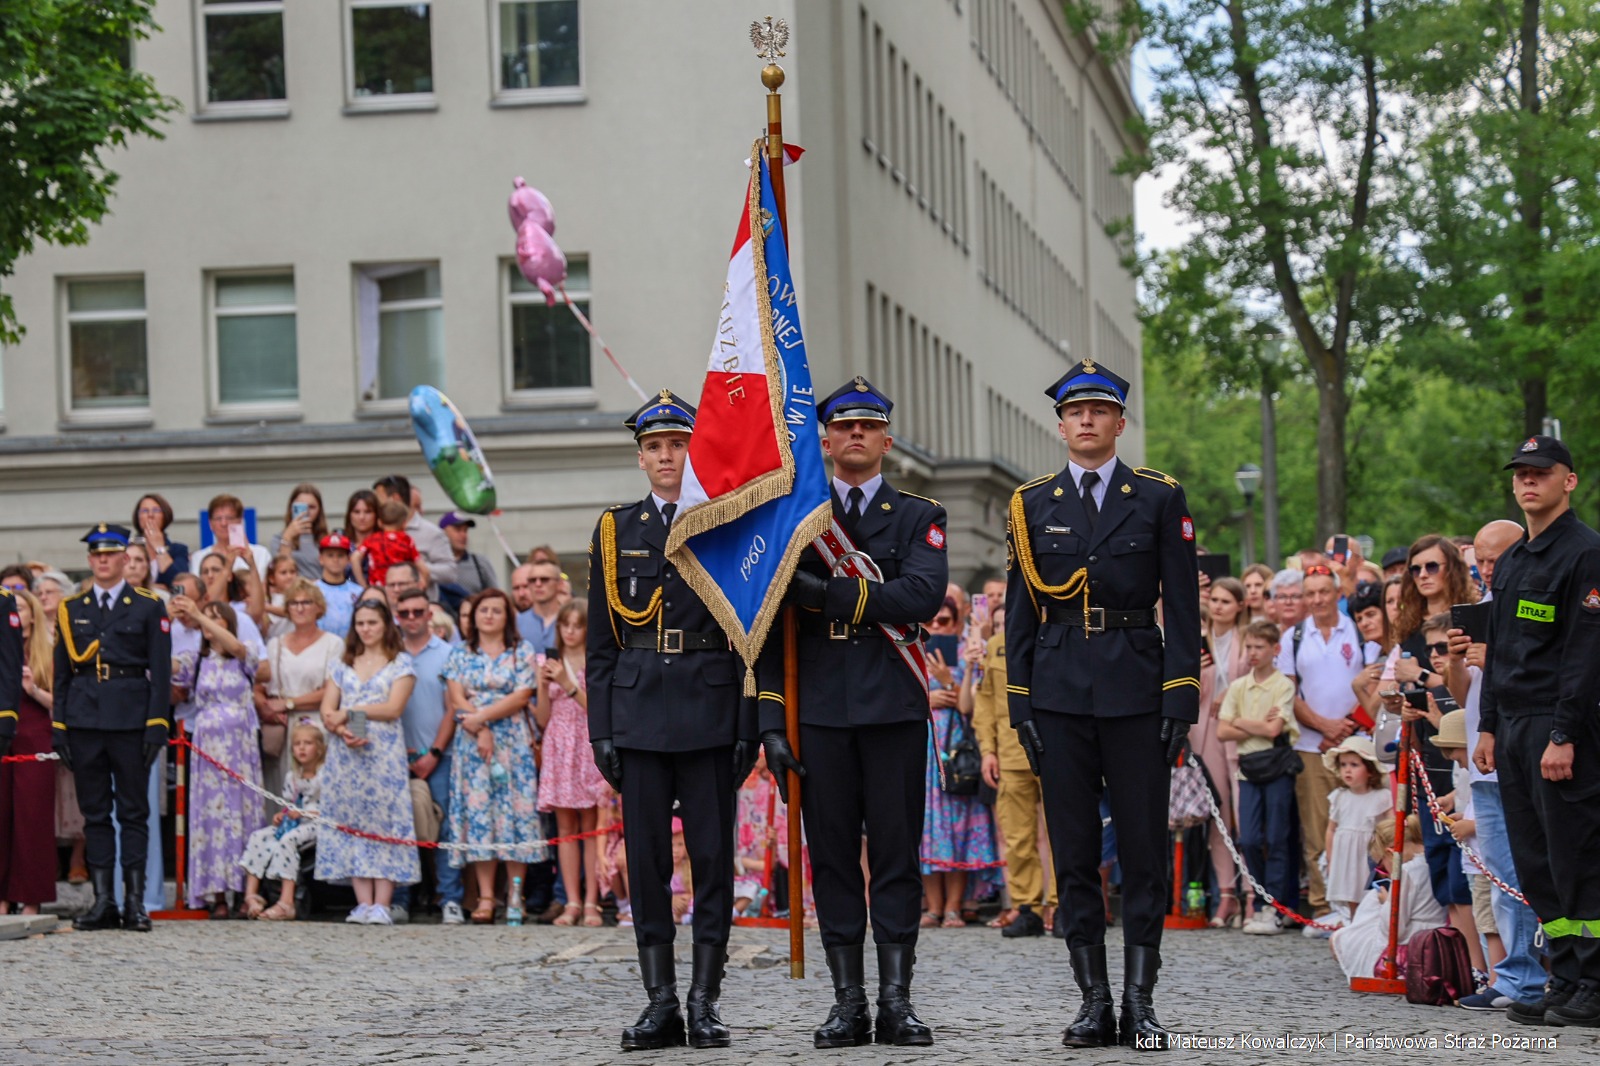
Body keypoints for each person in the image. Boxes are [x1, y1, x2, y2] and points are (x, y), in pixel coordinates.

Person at [1004, 360, 1199, 1050]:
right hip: (1058, 694)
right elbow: (1019, 613)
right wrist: (1020, 705)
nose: (1086, 420)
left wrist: (1181, 695)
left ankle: (1141, 1003)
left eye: (1099, 410)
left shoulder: (1158, 497)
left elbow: (1183, 604)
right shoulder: (1032, 504)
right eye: (1074, 412)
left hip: (1138, 691)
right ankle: (1093, 1000)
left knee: (1144, 852)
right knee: (1076, 853)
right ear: (1061, 426)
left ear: (1119, 422)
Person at [751, 377, 946, 1049]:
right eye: (842, 426)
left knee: (895, 856)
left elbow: (920, 596)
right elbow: (768, 627)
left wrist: (824, 593)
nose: (855, 434)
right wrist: (771, 723)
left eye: (868, 425)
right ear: (825, 441)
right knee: (831, 858)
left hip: (892, 705)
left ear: (886, 440)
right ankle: (848, 1002)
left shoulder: (919, 514)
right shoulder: (797, 516)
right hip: (819, 710)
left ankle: (896, 1001)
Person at [588, 390, 758, 1051]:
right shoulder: (615, 530)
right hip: (637, 713)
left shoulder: (725, 523)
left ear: (696, 450)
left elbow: (748, 636)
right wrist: (602, 728)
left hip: (711, 709)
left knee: (712, 861)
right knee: (648, 863)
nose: (666, 456)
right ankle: (660, 1002)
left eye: (678, 444)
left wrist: (747, 722)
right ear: (641, 458)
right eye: (655, 446)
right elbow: (601, 643)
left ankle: (704, 1001)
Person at [1475, 435, 1600, 1026]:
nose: (1528, 481)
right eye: (1521, 473)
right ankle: (1565, 978)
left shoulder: (1586, 553)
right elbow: (1499, 651)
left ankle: (1595, 982)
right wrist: (1487, 727)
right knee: (1536, 861)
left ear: (1568, 481)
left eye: (1541, 473)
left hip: (1559, 724)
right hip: (1514, 727)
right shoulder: (1515, 560)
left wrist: (1563, 734)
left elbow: (1585, 655)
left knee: (1577, 857)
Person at [50, 524, 172, 932]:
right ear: (90, 560)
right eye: (96, 555)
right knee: (95, 814)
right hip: (84, 720)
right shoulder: (72, 608)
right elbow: (62, 674)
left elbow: (160, 671)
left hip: (131, 720)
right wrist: (60, 727)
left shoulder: (148, 606)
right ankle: (103, 901)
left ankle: (134, 902)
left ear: (124, 558)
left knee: (134, 813)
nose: (103, 560)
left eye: (110, 554)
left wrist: (156, 726)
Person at [1452, 517, 1543, 1011]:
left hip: (1523, 753)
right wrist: (1454, 660)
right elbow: (1463, 693)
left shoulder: (1534, 602)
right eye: (1480, 562)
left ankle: (1540, 976)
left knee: (1529, 870)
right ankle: (1514, 977)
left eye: (1496, 559)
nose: (1487, 570)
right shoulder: (1483, 606)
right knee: (1499, 875)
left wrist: (1496, 661)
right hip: (1481, 757)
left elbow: (1548, 674)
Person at [441, 589, 544, 924]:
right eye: (483, 610)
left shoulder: (521, 651)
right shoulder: (460, 652)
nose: (488, 616)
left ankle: (515, 894)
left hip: (511, 742)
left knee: (516, 814)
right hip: (472, 743)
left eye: (496, 610)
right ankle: (485, 896)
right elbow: (456, 697)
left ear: (507, 617)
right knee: (480, 815)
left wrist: (482, 718)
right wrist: (479, 727)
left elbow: (522, 696)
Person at [316, 600, 421, 924]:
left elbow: (393, 708)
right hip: (347, 753)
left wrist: (350, 712)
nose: (366, 629)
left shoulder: (400, 663)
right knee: (353, 821)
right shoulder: (342, 662)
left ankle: (383, 903)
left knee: (384, 822)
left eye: (372, 622)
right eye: (360, 623)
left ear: (385, 624)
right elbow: (327, 710)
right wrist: (342, 728)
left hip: (383, 753)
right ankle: (362, 902)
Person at [1277, 563, 1366, 932]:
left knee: (1359, 829)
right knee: (1317, 832)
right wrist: (1324, 726)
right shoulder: (1293, 637)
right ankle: (1321, 905)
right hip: (1312, 747)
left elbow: (1373, 682)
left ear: (1337, 593)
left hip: (1358, 746)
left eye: (1323, 592)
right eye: (1310, 593)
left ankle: (1360, 906)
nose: (1317, 599)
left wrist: (1347, 725)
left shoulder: (1358, 629)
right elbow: (1288, 692)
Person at [970, 603, 1058, 938]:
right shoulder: (996, 646)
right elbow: (985, 703)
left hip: (1057, 752)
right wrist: (987, 751)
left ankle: (1062, 906)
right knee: (1018, 838)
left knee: (1063, 834)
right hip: (1010, 754)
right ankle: (1027, 908)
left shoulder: (1057, 637)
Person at [171, 600, 262, 918]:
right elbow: (164, 667)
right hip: (207, 746)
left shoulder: (244, 653)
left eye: (216, 618)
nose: (208, 623)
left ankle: (246, 890)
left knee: (241, 813)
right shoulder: (194, 659)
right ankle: (217, 893)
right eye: (205, 618)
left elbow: (236, 648)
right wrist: (160, 620)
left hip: (239, 746)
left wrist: (198, 615)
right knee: (211, 816)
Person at [921, 600, 1001, 928]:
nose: (936, 627)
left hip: (956, 748)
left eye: (944, 621)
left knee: (958, 825)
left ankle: (954, 905)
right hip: (924, 749)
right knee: (927, 828)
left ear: (956, 624)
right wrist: (927, 698)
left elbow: (973, 705)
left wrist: (947, 683)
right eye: (931, 621)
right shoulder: (911, 654)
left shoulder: (969, 656)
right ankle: (933, 907)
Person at [1219, 620, 1300, 933]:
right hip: (1249, 766)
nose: (1253, 653)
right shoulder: (1239, 686)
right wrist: (1254, 724)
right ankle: (1261, 898)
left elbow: (1273, 730)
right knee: (1250, 838)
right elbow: (1222, 730)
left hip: (1276, 764)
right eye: (1249, 647)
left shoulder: (1283, 685)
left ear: (1274, 649)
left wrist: (1240, 721)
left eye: (1259, 647)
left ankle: (1275, 907)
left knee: (1277, 836)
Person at [391, 587, 462, 924]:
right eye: (404, 613)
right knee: (399, 829)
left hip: (440, 754)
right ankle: (400, 899)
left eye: (418, 612)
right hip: (395, 757)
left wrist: (434, 752)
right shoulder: (391, 654)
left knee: (445, 827)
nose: (411, 619)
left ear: (429, 614)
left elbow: (453, 708)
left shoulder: (448, 653)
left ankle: (450, 899)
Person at [535, 599, 606, 927]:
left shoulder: (596, 661)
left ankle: (592, 901)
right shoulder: (547, 661)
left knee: (591, 826)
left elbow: (599, 711)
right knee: (565, 828)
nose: (571, 631)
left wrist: (567, 683)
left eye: (578, 625)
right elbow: (542, 718)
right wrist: (542, 684)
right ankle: (572, 901)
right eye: (566, 625)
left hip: (587, 742)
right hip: (560, 745)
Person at [1329, 815, 1444, 981]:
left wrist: (1387, 902)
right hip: (1438, 938)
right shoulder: (1435, 862)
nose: (1385, 872)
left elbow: (1394, 928)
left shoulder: (1407, 872)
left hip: (1414, 943)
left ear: (1391, 853)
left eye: (1382, 865)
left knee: (1342, 940)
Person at [1195, 576, 1248, 927]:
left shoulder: (1248, 638)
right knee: (1218, 812)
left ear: (1240, 606)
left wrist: (1231, 692)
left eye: (1225, 601)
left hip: (1242, 731)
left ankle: (1253, 894)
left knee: (1245, 815)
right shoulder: (1198, 638)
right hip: (1205, 730)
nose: (1217, 606)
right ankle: (1226, 894)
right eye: (1214, 599)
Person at [0, 588, 55, 914]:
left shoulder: (46, 651)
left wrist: (32, 688)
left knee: (32, 819)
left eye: (21, 608)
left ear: (33, 615)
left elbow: (62, 702)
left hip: (35, 737)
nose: (16, 614)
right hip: (4, 734)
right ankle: (2, 898)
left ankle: (32, 898)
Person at [238, 723, 326, 921]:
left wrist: (303, 813)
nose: (302, 748)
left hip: (316, 823)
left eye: (308, 743)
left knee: (288, 840)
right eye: (297, 744)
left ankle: (286, 901)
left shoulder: (324, 775)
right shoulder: (292, 777)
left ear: (319, 748)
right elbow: (289, 803)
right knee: (259, 836)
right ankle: (251, 895)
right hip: (294, 822)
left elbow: (330, 809)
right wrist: (282, 814)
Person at [1320, 736, 1390, 926]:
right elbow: (1331, 829)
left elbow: (1389, 829)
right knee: (1350, 893)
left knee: (1368, 894)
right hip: (1345, 856)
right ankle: (1353, 925)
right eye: (1343, 765)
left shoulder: (1382, 797)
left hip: (1367, 855)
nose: (1347, 770)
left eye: (1354, 765)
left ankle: (1368, 927)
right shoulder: (1339, 796)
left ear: (1370, 770)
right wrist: (1330, 858)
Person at [373, 474, 458, 590]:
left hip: (418, 599)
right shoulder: (377, 530)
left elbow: (450, 572)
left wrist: (412, 566)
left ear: (395, 499)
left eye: (379, 501)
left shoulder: (431, 532)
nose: (375, 506)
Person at [191, 493, 274, 582]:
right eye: (218, 518)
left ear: (240, 521)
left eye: (229, 518)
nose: (224, 523)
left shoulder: (261, 554)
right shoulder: (199, 557)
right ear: (210, 524)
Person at [197, 546, 268, 640]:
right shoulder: (198, 608)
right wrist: (227, 566)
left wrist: (252, 565)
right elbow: (210, 600)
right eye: (205, 572)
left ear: (229, 576)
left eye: (215, 570)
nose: (210, 575)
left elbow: (257, 611)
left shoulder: (241, 607)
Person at [355, 500, 425, 589]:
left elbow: (355, 558)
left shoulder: (372, 540)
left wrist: (363, 584)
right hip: (401, 588)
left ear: (379, 522)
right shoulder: (406, 540)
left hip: (378, 589)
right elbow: (423, 569)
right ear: (404, 523)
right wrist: (421, 586)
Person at [269, 483, 330, 580]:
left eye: (312, 507)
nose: (306, 512)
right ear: (291, 508)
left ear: (319, 510)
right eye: (301, 507)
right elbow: (281, 572)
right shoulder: (278, 539)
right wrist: (287, 538)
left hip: (319, 588)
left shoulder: (327, 539)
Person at [133, 493, 189, 588]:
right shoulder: (128, 548)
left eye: (156, 510)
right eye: (145, 511)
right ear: (138, 517)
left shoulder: (178, 550)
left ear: (165, 515)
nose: (150, 515)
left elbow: (180, 584)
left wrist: (159, 547)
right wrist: (152, 587)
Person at [313, 533, 362, 638]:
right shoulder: (312, 590)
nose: (335, 560)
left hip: (351, 645)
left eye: (340, 555)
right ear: (321, 559)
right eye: (330, 555)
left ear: (348, 559)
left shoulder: (359, 592)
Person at [440, 512, 498, 597]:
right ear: (442, 532)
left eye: (465, 530)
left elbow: (495, 596)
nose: (463, 535)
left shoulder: (480, 563)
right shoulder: (432, 563)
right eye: (458, 530)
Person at [514, 558, 563, 654]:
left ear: (559, 584)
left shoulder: (570, 620)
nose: (538, 584)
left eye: (544, 579)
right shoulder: (516, 622)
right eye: (532, 580)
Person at [262, 554, 300, 641]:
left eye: (292, 572)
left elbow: (290, 612)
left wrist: (266, 607)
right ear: (272, 578)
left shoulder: (300, 597)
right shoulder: (271, 599)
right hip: (276, 643)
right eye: (283, 573)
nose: (289, 576)